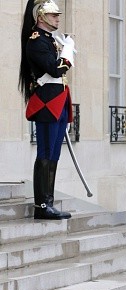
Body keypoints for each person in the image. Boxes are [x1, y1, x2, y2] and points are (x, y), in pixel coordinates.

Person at [19, 0, 76, 220]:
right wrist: (68, 53)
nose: (58, 18)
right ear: (41, 17)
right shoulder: (36, 41)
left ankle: (49, 201)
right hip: (46, 104)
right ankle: (41, 205)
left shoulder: (50, 40)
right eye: (53, 15)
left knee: (53, 154)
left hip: (58, 101)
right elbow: (54, 69)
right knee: (45, 154)